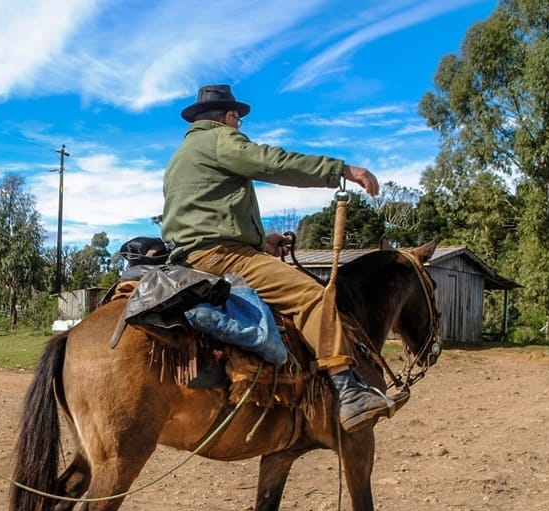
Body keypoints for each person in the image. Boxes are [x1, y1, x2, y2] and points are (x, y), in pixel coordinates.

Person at [161, 83, 390, 432]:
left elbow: (205, 215)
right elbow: (274, 163)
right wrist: (341, 170)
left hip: (188, 259)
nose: (240, 126)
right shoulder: (221, 140)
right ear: (228, 116)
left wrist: (261, 240)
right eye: (238, 120)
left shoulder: (180, 156)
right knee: (314, 296)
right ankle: (348, 389)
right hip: (223, 257)